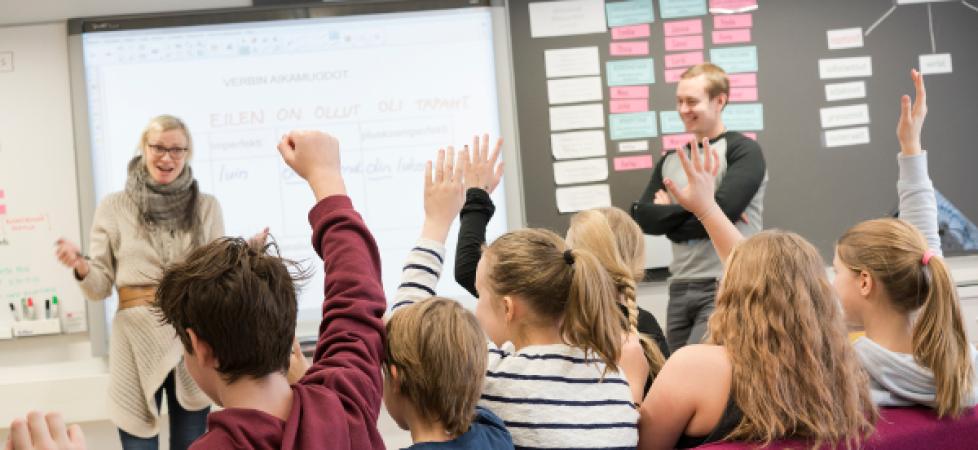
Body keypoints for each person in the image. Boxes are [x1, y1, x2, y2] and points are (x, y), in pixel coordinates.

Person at [154, 130, 387, 449]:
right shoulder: (345, 406)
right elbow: (356, 294)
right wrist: (326, 178)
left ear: (200, 347)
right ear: (283, 330)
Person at [637, 138, 875, 449]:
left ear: (733, 292)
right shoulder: (839, 371)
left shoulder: (692, 368)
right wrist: (706, 209)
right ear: (815, 294)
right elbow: (768, 274)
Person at [397, 147, 638, 449]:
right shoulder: (613, 380)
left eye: (481, 295)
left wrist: (436, 223)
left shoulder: (495, 379)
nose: (477, 307)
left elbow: (404, 324)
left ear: (509, 308)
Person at [454, 135, 668, 401]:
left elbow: (468, 270)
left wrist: (478, 196)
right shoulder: (643, 328)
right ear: (637, 258)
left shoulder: (558, 313)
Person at [54, 115, 221, 450]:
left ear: (188, 153)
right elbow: (100, 286)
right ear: (144, 148)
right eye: (158, 147)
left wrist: (248, 257)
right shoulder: (114, 207)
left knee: (194, 444)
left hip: (191, 335)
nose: (167, 157)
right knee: (137, 444)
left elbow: (216, 273)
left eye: (177, 149)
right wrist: (82, 267)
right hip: (134, 340)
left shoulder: (206, 206)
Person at [833, 69, 978, 416]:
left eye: (837, 272)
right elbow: (925, 243)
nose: (832, 282)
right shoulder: (963, 367)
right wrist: (910, 147)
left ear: (865, 281)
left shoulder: (845, 383)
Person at [630, 63, 767, 352]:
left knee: (704, 368)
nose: (683, 109)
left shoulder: (743, 151)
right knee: (678, 367)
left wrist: (673, 215)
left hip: (726, 284)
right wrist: (705, 210)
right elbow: (643, 217)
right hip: (679, 285)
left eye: (692, 101)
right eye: (679, 101)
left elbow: (726, 209)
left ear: (720, 101)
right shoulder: (672, 159)